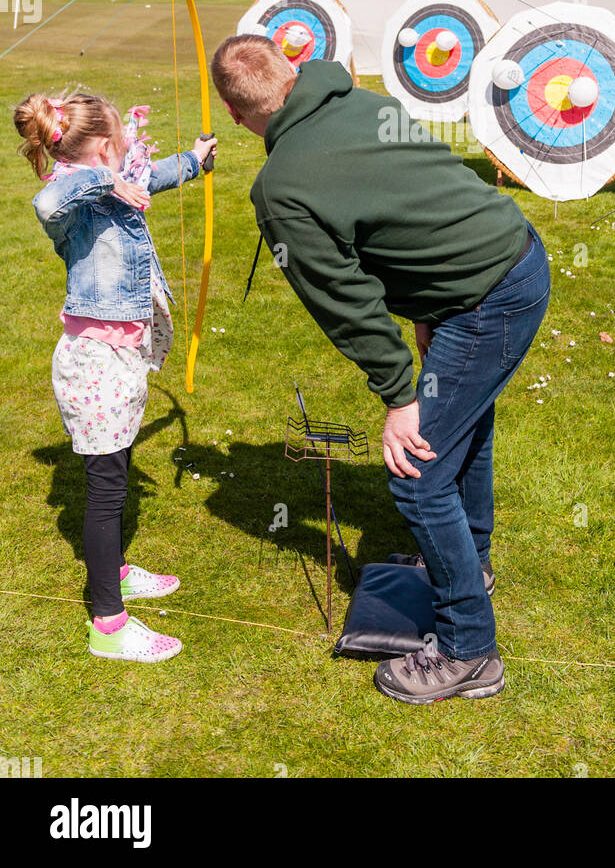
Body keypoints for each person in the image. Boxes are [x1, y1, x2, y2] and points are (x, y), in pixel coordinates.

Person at [211, 35, 550, 704]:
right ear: (294, 69)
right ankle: (468, 565)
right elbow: (423, 194)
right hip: (513, 257)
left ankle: (468, 650)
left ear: (233, 112)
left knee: (418, 474)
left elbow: (346, 304)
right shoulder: (361, 102)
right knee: (459, 431)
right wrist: (429, 308)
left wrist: (400, 396)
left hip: (487, 297)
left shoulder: (281, 188)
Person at [13, 90, 217, 662]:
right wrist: (104, 183)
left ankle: (118, 572)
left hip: (117, 359)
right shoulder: (78, 201)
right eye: (118, 143)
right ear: (103, 148)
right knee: (105, 494)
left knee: (118, 469)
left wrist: (194, 161)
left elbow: (145, 176)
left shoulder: (116, 184)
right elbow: (47, 199)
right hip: (95, 363)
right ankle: (108, 623)